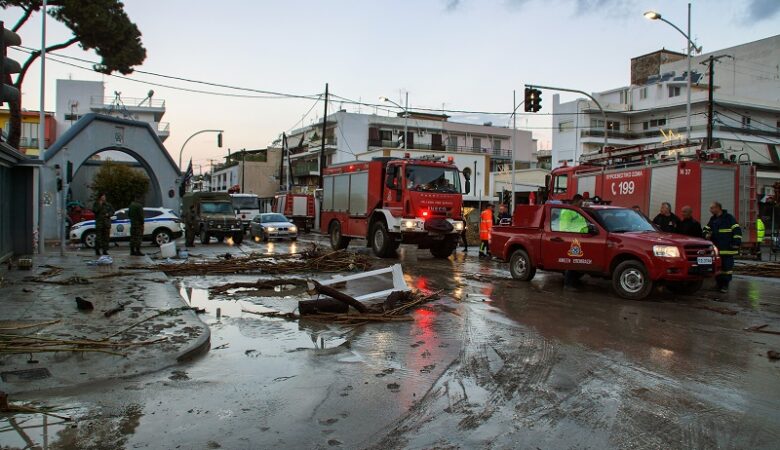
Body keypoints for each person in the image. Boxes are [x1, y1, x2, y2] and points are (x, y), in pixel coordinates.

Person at [703, 201, 741, 293]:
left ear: (718, 208)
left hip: (727, 249)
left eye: (712, 208)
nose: (710, 210)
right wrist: (706, 235)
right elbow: (705, 229)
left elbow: (737, 231)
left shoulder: (728, 218)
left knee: (727, 268)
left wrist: (736, 243)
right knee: (718, 267)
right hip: (717, 249)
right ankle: (718, 284)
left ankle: (725, 285)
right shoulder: (713, 219)